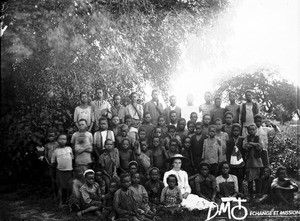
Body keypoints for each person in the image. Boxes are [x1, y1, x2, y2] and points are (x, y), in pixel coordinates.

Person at [51, 133, 74, 208]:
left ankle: (69, 201)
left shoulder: (69, 149)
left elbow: (72, 159)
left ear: (66, 141)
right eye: (60, 139)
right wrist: (53, 173)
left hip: (69, 171)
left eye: (64, 139)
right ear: (57, 140)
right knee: (60, 187)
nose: (62, 141)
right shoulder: (56, 151)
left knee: (69, 187)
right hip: (60, 172)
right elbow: (53, 162)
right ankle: (60, 203)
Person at [243, 123, 263, 195]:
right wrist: (255, 144)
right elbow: (245, 146)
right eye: (250, 129)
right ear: (248, 131)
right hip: (249, 161)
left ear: (256, 130)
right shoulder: (246, 138)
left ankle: (257, 193)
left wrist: (252, 143)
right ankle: (251, 193)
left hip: (257, 161)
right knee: (250, 179)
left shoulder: (258, 137)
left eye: (253, 129)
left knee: (257, 178)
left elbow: (260, 146)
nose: (252, 131)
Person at [226, 123, 245, 193]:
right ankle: (234, 192)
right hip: (232, 162)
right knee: (233, 177)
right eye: (234, 130)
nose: (235, 132)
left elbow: (244, 151)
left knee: (240, 178)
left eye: (237, 130)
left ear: (239, 131)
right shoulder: (230, 140)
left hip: (240, 162)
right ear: (232, 131)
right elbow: (227, 152)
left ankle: (241, 192)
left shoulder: (242, 139)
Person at [43, 127, 59, 199]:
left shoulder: (58, 144)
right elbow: (45, 155)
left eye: (52, 135)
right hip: (51, 165)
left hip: (58, 164)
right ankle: (54, 195)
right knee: (53, 180)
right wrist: (48, 163)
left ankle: (60, 195)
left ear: (55, 136)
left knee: (59, 179)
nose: (51, 137)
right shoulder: (47, 145)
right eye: (49, 136)